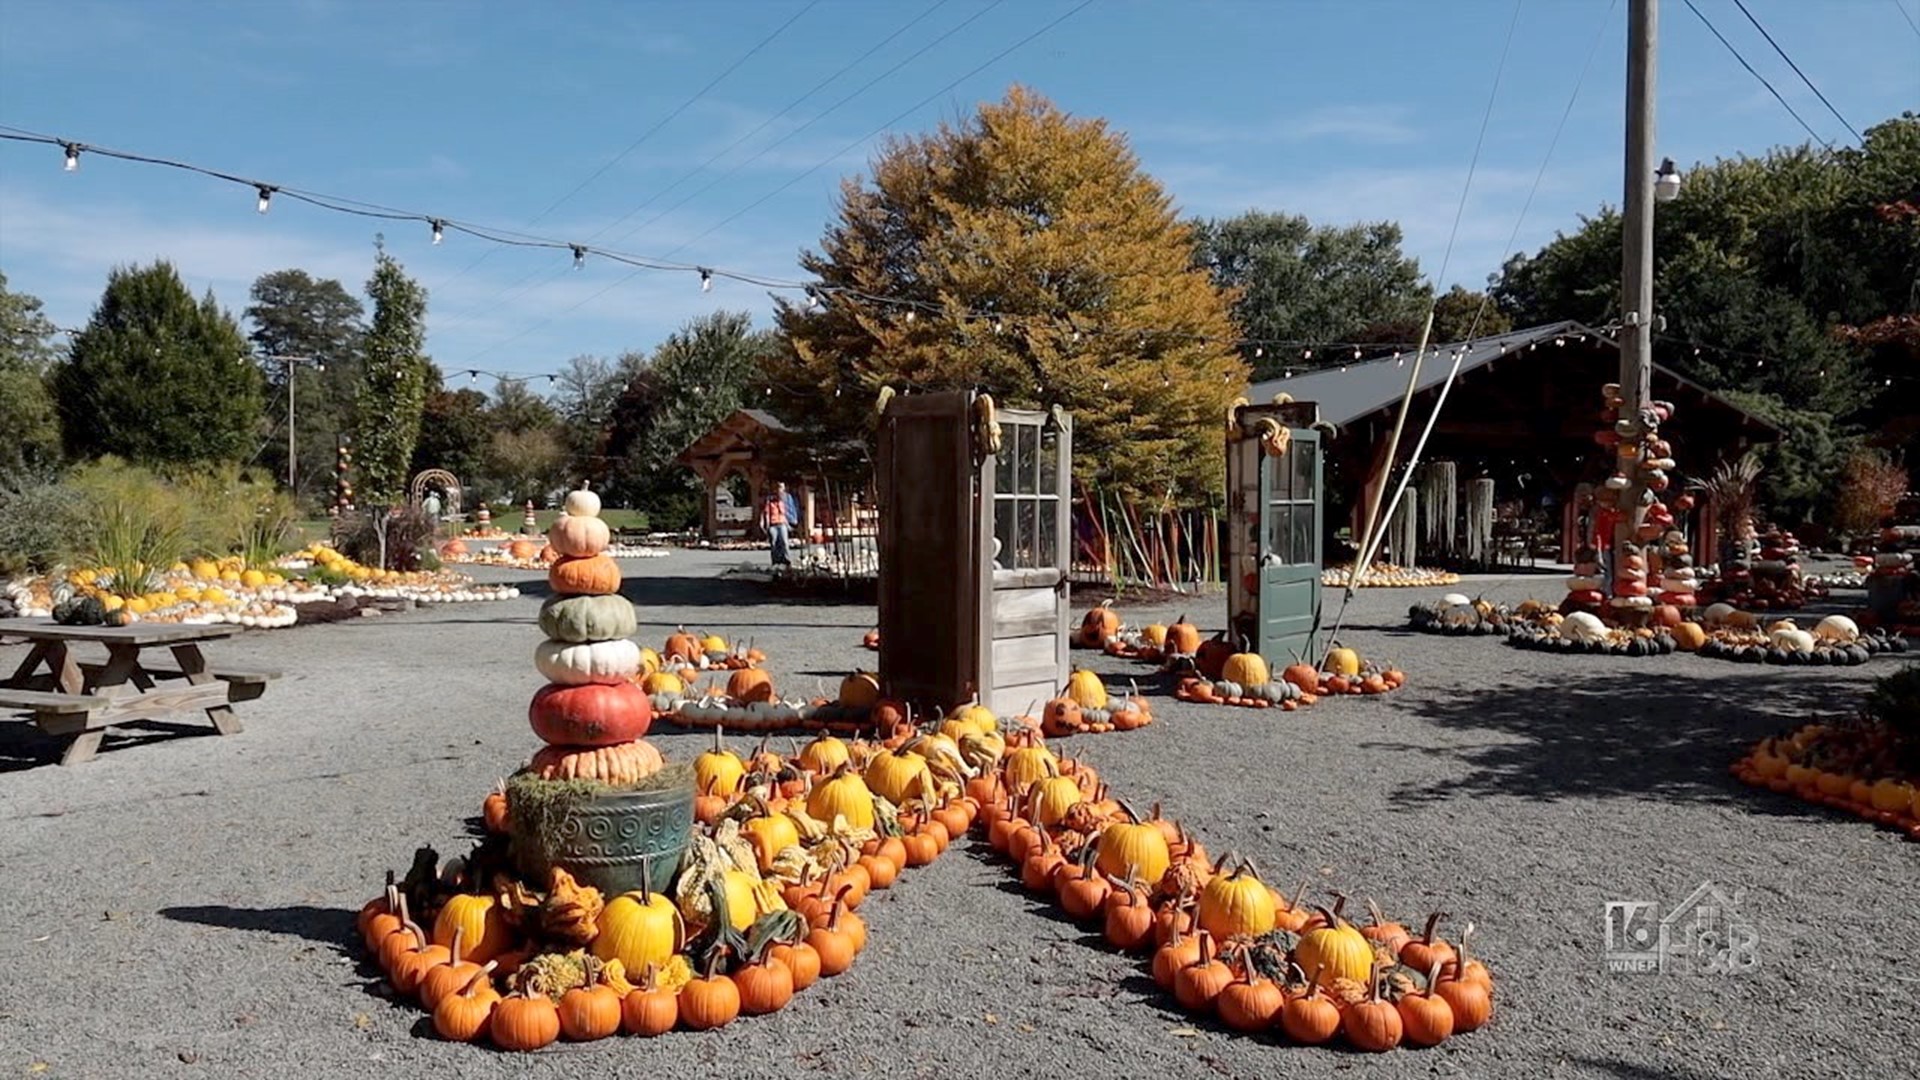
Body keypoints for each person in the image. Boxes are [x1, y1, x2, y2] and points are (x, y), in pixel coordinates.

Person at [761, 482, 794, 567]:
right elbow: (767, 512)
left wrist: (790, 522)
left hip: (782, 522)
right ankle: (775, 561)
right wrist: (767, 525)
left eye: (781, 488)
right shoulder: (770, 500)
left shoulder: (785, 498)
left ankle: (786, 560)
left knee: (784, 542)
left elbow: (788, 511)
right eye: (778, 488)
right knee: (774, 543)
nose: (779, 490)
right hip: (773, 523)